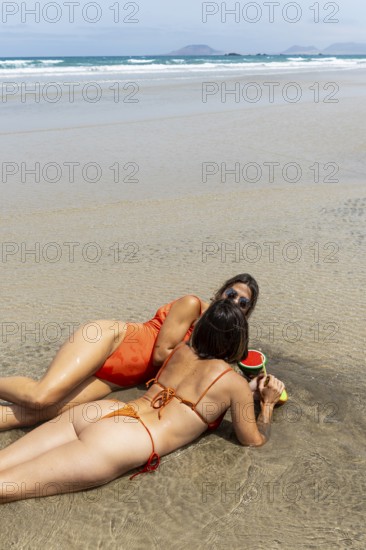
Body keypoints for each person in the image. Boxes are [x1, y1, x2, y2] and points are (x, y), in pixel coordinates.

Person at [0, 299, 284, 504]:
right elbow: (253, 441)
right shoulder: (233, 385)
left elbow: (193, 380)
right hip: (124, 440)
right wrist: (267, 404)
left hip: (101, 411)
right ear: (238, 340)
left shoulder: (180, 351)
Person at [0, 274, 259, 430]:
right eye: (231, 293)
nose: (233, 301)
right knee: (40, 397)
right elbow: (161, 354)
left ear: (247, 312)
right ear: (220, 291)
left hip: (115, 379)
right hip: (111, 342)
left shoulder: (222, 341)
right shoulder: (192, 306)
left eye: (242, 302)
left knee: (34, 415)